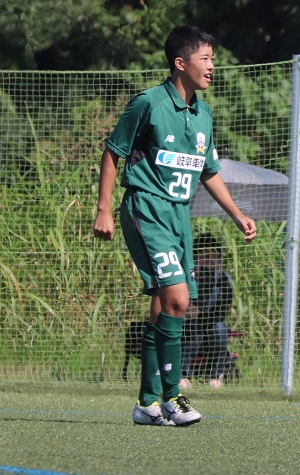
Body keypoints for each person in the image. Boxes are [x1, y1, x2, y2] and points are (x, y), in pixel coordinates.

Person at [93, 26, 257, 426]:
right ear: (180, 63)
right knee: (180, 303)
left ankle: (147, 404)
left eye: (214, 59)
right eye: (206, 58)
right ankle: (172, 397)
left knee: (163, 308)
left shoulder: (204, 114)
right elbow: (113, 153)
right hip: (147, 209)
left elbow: (208, 171)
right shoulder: (148, 103)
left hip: (179, 216)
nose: (212, 66)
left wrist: (236, 214)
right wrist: (104, 209)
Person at [179, 233, 234, 390]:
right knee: (193, 327)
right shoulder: (187, 277)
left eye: (215, 256)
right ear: (195, 258)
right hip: (189, 323)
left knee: (220, 328)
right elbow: (183, 306)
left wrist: (201, 315)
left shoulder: (223, 278)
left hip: (212, 322)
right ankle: (183, 375)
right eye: (206, 256)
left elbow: (223, 309)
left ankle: (216, 375)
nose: (211, 260)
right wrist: (194, 313)